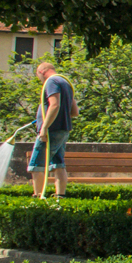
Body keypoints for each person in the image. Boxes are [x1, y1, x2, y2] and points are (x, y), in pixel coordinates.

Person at [27, 60, 75, 200]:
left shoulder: (51, 82)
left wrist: (44, 127)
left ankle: (38, 197)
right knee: (58, 163)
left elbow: (54, 105)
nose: (40, 80)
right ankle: (60, 195)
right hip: (63, 129)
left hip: (51, 131)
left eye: (38, 76)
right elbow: (74, 111)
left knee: (36, 164)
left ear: (42, 71)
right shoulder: (66, 83)